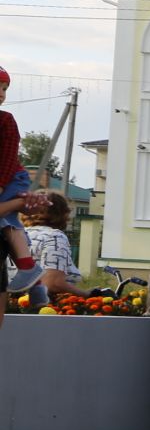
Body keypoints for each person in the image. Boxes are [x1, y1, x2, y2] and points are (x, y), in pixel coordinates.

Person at [0, 65, 44, 293]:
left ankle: (30, 273)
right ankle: (35, 284)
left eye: (5, 88)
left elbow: (7, 157)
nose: (1, 92)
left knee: (6, 221)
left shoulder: (5, 120)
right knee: (8, 224)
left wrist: (0, 185)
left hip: (10, 178)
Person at [22, 192, 80, 307]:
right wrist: (88, 294)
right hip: (42, 311)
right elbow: (53, 283)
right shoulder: (54, 236)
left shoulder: (16, 234)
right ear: (61, 214)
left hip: (10, 307)